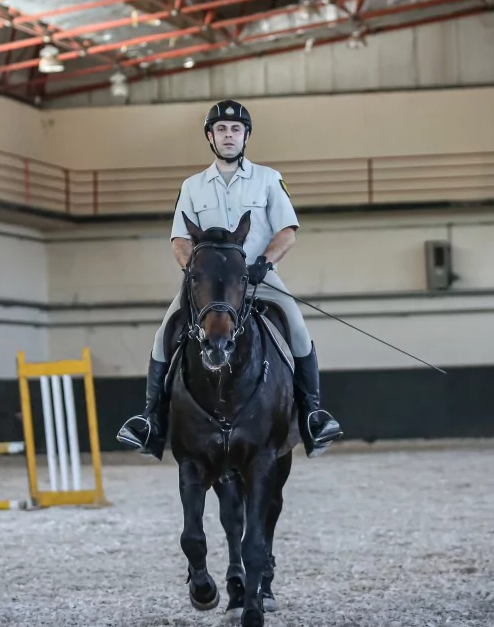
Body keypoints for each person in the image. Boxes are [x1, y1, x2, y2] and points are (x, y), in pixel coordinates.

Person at [116, 99, 343, 461]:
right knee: (164, 332)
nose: (228, 135)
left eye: (235, 129)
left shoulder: (269, 179)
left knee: (297, 326)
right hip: (207, 286)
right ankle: (150, 421)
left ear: (246, 136)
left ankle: (314, 415)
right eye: (221, 129)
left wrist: (264, 263)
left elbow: (287, 232)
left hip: (256, 278)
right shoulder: (192, 186)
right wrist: (194, 273)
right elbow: (179, 239)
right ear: (210, 136)